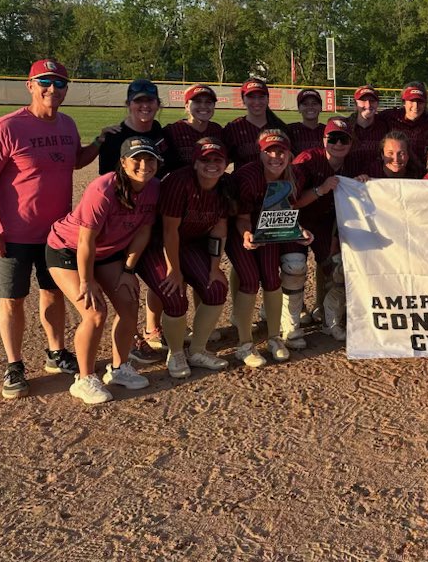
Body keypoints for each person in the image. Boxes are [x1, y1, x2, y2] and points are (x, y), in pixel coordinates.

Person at [0, 59, 102, 399]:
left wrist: (99, 143)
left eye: (59, 83)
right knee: (12, 299)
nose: (52, 89)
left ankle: (56, 353)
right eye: (44, 82)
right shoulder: (8, 127)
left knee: (53, 293)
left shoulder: (67, 124)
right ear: (30, 85)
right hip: (13, 234)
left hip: (57, 234)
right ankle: (14, 364)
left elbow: (75, 160)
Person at [45, 136, 163, 404]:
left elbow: (143, 231)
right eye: (137, 159)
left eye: (150, 159)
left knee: (129, 303)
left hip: (108, 252)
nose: (144, 165)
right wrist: (86, 281)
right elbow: (85, 240)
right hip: (68, 249)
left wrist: (128, 271)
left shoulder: (154, 188)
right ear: (123, 162)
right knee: (95, 312)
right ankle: (84, 379)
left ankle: (119, 369)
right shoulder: (104, 188)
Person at [136, 137, 233, 378]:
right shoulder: (180, 182)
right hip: (156, 245)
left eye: (217, 160)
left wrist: (214, 267)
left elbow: (220, 229)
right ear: (195, 163)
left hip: (188, 243)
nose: (212, 165)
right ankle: (176, 353)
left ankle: (197, 350)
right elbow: (169, 231)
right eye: (205, 160)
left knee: (216, 288)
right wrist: (174, 269)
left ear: (226, 163)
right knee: (174, 295)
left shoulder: (225, 185)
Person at [95, 78, 170, 362]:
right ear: (128, 104)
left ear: (158, 104)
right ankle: (133, 336)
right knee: (126, 284)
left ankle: (152, 328)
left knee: (159, 277)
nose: (145, 106)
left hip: (153, 217)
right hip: (123, 222)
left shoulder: (162, 133)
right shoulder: (114, 137)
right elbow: (108, 184)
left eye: (150, 101)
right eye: (138, 101)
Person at [228, 129, 314, 368]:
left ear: (289, 153)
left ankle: (274, 337)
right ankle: (245, 344)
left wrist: (298, 231)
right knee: (249, 279)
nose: (275, 156)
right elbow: (241, 218)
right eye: (269, 151)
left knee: (271, 279)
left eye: (281, 151)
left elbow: (285, 213)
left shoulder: (294, 175)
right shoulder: (248, 176)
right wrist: (246, 234)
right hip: (239, 228)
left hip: (268, 229)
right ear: (260, 153)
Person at [291, 117, 359, 341]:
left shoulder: (352, 164)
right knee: (294, 267)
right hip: (298, 220)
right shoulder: (307, 159)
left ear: (351, 143)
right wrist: (320, 189)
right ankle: (290, 326)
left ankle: (329, 320)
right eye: (333, 138)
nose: (338, 144)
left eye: (344, 139)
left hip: (326, 223)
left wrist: (362, 181)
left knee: (336, 268)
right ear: (324, 139)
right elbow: (291, 202)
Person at [223, 78, 287, 170]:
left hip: (275, 179)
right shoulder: (233, 128)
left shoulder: (280, 127)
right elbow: (221, 162)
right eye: (251, 97)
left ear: (268, 99)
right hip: (243, 179)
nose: (257, 102)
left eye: (261, 97)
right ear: (243, 100)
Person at [163, 83, 225, 172]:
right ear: (187, 106)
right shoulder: (172, 131)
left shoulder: (217, 130)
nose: (203, 106)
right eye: (197, 101)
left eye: (208, 102)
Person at [378, 83, 428, 164]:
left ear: (425, 103)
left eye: (420, 101)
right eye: (411, 101)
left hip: (419, 169)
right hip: (394, 166)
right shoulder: (390, 117)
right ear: (404, 102)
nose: (416, 106)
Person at [345, 85, 389, 159]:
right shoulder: (346, 126)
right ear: (355, 104)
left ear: (377, 103)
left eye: (372, 101)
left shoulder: (385, 126)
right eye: (363, 100)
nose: (368, 105)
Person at [287, 88, 325, 156]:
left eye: (314, 103)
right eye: (305, 104)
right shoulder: (290, 130)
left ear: (321, 107)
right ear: (299, 108)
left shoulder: (327, 131)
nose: (310, 107)